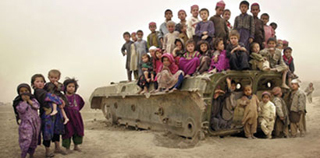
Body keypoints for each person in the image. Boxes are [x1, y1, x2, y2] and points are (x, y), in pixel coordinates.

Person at [31, 74, 66, 157]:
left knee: (56, 130)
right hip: (47, 114)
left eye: (42, 81)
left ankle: (57, 147)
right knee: (47, 132)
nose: (40, 83)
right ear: (33, 84)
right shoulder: (38, 91)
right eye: (37, 81)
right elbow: (49, 97)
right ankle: (47, 151)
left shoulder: (46, 89)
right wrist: (60, 100)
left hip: (55, 113)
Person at [13, 83, 41, 158]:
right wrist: (25, 102)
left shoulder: (33, 100)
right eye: (22, 92)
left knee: (33, 138)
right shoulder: (18, 102)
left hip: (35, 123)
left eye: (26, 90)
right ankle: (24, 154)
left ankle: (31, 154)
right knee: (26, 139)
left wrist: (29, 101)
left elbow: (37, 106)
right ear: (19, 93)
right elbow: (21, 110)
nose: (24, 93)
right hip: (26, 124)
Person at [62, 78, 85, 152]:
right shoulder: (63, 97)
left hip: (76, 117)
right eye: (69, 86)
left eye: (73, 86)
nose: (71, 88)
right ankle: (67, 148)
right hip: (67, 118)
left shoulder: (77, 97)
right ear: (65, 87)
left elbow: (81, 104)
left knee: (77, 131)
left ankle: (76, 146)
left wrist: (76, 111)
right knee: (67, 132)